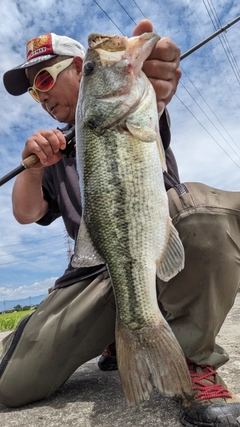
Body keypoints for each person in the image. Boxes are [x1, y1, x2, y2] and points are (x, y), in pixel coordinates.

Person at [1, 18, 240, 427]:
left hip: (157, 252)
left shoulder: (136, 107)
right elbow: (27, 214)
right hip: (94, 275)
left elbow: (156, 95)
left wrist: (154, 80)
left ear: (80, 69)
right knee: (10, 385)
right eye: (32, 92)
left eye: (44, 78)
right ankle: (115, 334)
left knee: (202, 216)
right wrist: (34, 168)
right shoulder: (54, 154)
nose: (40, 96)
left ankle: (195, 362)